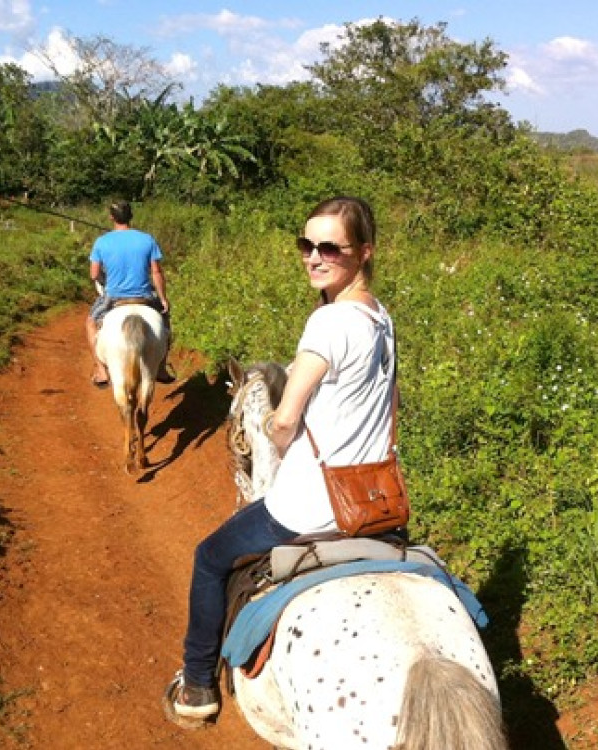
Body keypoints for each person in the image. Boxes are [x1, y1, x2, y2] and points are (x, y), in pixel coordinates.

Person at [168, 196, 397, 721]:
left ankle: (198, 685)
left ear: (363, 252)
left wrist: (273, 429)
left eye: (329, 248)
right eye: (306, 245)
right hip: (372, 501)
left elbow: (287, 420)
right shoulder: (381, 319)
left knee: (208, 558)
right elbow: (392, 405)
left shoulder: (329, 324)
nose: (313, 257)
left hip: (311, 507)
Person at [85, 200, 174, 387]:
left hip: (113, 296)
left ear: (111, 217)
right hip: (145, 296)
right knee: (165, 322)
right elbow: (156, 272)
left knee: (91, 322)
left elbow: (94, 274)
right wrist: (163, 299)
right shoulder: (147, 239)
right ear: (131, 216)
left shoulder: (102, 241)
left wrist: (105, 280)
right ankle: (162, 367)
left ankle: (101, 370)